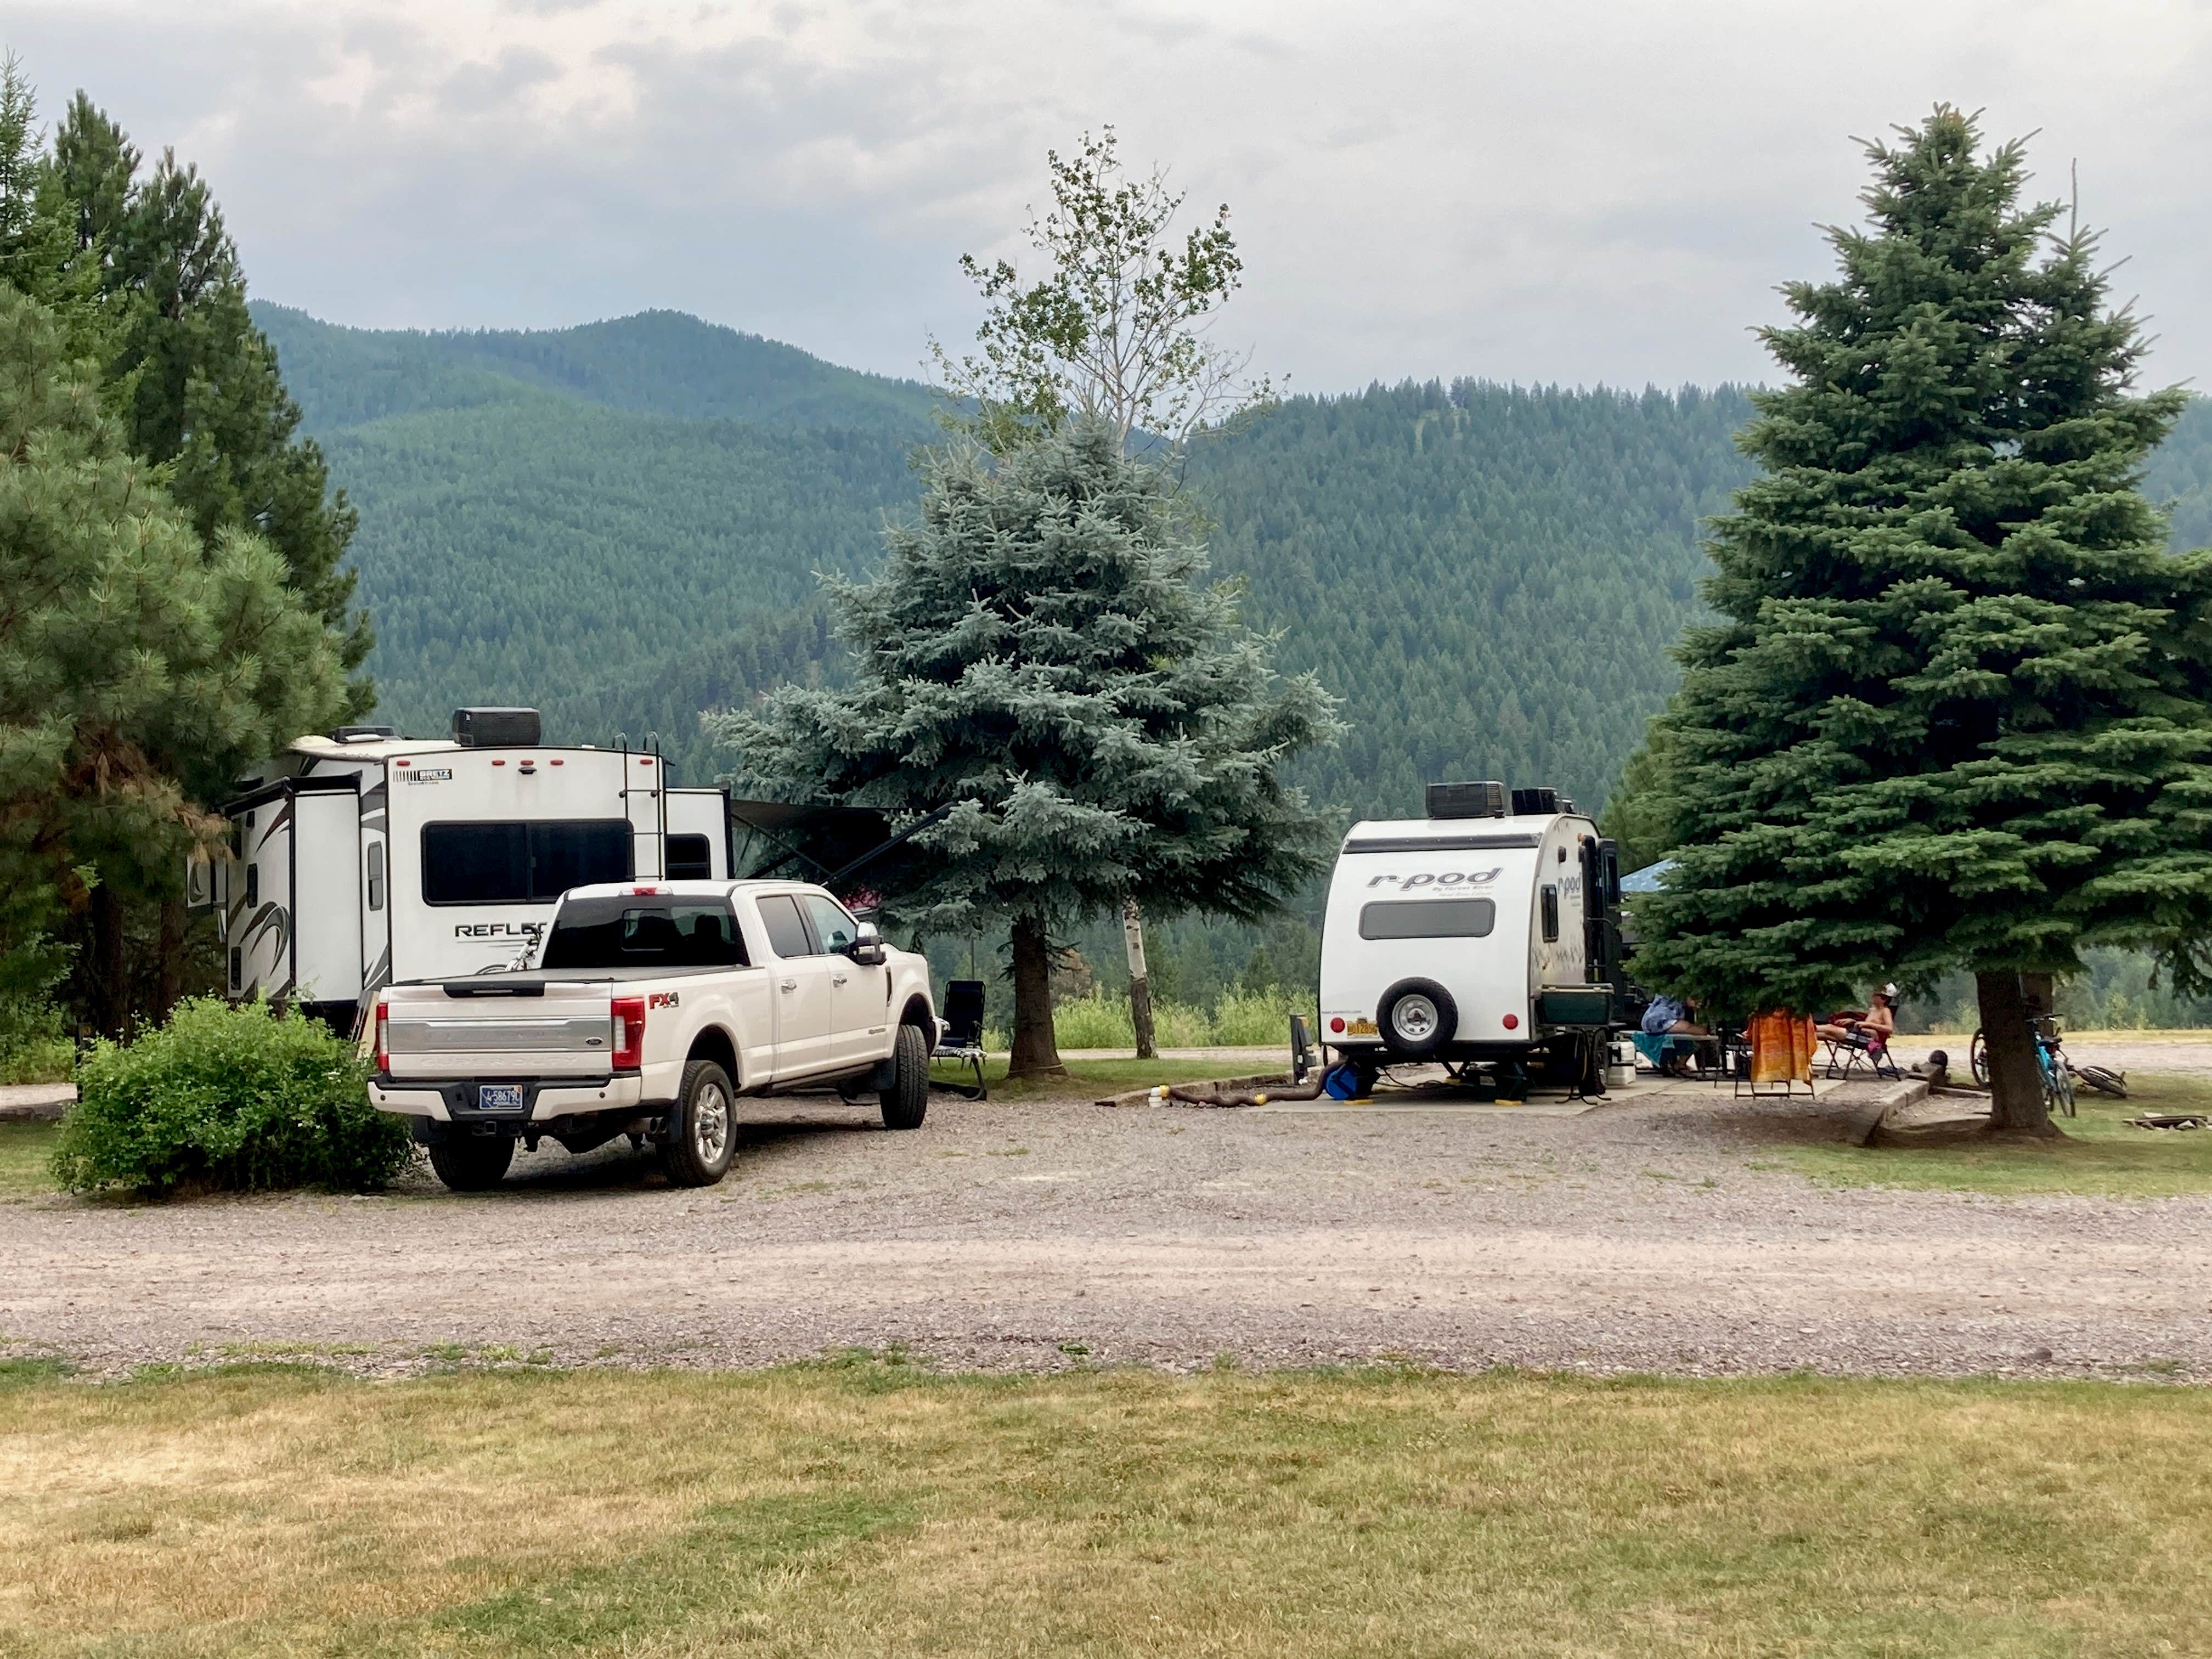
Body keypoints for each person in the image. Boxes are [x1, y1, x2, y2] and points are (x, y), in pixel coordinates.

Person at [1641, 992, 1710, 1077]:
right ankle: (1681, 1064)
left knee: (1692, 1031)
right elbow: (1692, 1003)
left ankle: (1670, 1062)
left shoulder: (1667, 986)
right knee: (1701, 1031)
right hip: (1664, 1019)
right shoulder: (1686, 987)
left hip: (1650, 1020)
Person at [1818, 984, 1897, 1046]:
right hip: (1859, 1035)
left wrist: (1868, 1024)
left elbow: (1889, 1029)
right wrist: (1853, 1021)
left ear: (1884, 999)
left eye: (1876, 995)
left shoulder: (1885, 1011)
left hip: (1867, 1039)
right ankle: (1808, 1035)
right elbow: (1864, 1024)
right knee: (1823, 1035)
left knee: (1830, 1028)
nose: (1873, 996)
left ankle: (1810, 1028)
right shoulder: (1873, 1010)